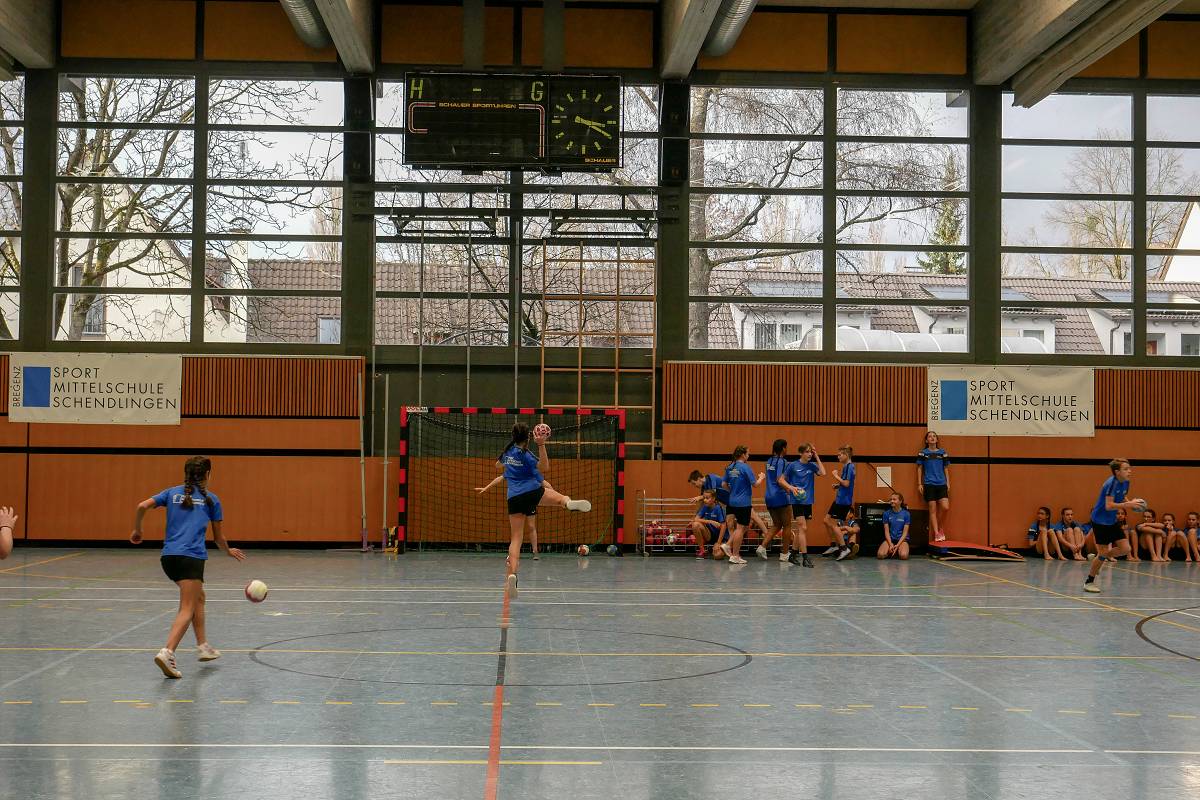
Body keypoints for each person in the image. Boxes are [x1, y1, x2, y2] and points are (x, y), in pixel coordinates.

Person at [131, 456, 245, 679]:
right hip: (191, 558)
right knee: (187, 608)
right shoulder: (212, 500)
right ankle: (168, 652)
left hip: (169, 558)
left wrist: (137, 530)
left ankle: (203, 646)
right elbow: (218, 538)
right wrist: (228, 550)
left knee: (198, 596)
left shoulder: (171, 493)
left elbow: (142, 505)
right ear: (208, 474)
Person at [495, 423, 591, 599]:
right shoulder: (527, 455)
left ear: (513, 437)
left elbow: (497, 465)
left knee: (516, 538)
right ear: (528, 438)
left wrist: (509, 464)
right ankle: (568, 503)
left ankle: (513, 574)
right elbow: (544, 467)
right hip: (532, 492)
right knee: (561, 499)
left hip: (514, 498)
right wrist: (541, 444)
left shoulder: (508, 453)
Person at [1084, 458, 1144, 594]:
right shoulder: (1110, 484)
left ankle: (1098, 559)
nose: (1129, 471)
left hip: (1111, 520)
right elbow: (1108, 505)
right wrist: (1128, 505)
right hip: (1100, 521)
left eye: (1129, 468)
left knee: (1125, 549)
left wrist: (1131, 503)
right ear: (1117, 472)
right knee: (1103, 553)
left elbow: (1122, 497)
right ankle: (1089, 582)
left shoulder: (1126, 482)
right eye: (1126, 469)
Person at [476, 475, 547, 559]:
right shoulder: (512, 470)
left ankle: (535, 552)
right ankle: (514, 552)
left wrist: (558, 497)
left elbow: (543, 482)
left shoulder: (529, 470)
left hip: (529, 500)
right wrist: (486, 488)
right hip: (517, 500)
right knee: (516, 530)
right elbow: (499, 478)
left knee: (531, 526)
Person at [720, 445, 763, 566]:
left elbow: (723, 484)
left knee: (742, 527)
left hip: (731, 502)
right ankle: (735, 555)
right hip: (743, 503)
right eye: (748, 453)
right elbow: (755, 484)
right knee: (740, 528)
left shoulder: (730, 467)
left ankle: (728, 545)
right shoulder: (745, 467)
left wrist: (733, 491)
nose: (748, 456)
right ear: (743, 455)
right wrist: (761, 477)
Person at [763, 439, 802, 562]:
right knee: (787, 525)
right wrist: (790, 489)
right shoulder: (783, 461)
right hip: (780, 496)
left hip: (768, 496)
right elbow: (780, 479)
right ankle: (784, 553)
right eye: (786, 447)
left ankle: (762, 547)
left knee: (777, 524)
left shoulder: (768, 461)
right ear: (783, 448)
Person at [784, 443, 822, 567]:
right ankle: (805, 558)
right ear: (800, 453)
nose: (809, 454)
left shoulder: (812, 465)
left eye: (811, 452)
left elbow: (823, 472)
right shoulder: (793, 465)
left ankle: (792, 555)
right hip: (797, 501)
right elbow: (781, 479)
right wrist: (790, 488)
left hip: (808, 501)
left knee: (802, 530)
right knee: (803, 528)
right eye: (807, 452)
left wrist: (817, 456)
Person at [821, 445, 856, 561]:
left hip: (843, 501)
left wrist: (836, 476)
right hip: (839, 499)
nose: (838, 456)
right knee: (826, 520)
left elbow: (847, 483)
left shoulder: (850, 467)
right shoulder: (846, 466)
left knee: (833, 524)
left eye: (840, 454)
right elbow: (846, 484)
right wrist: (838, 485)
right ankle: (834, 545)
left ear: (846, 455)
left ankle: (843, 548)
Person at [916, 431, 950, 542]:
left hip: (941, 484)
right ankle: (936, 533)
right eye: (930, 436)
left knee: (945, 507)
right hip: (929, 484)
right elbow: (919, 468)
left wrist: (948, 482)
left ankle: (941, 528)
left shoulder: (943, 453)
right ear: (926, 440)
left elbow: (946, 468)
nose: (932, 438)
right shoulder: (923, 453)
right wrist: (919, 484)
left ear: (937, 439)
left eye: (934, 436)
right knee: (933, 510)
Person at [690, 489, 726, 559]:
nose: (705, 500)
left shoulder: (718, 508)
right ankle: (702, 551)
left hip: (719, 537)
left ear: (713, 499)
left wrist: (718, 543)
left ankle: (715, 548)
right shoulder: (705, 507)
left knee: (718, 556)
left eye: (707, 498)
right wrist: (710, 521)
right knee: (695, 524)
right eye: (704, 498)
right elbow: (696, 519)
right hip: (708, 535)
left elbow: (723, 526)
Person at [878, 492, 911, 560]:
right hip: (890, 540)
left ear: (900, 501)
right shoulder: (886, 513)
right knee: (880, 555)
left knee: (904, 556)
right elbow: (886, 532)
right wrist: (890, 544)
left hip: (902, 540)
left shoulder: (906, 514)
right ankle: (891, 549)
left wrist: (898, 545)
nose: (892, 501)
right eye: (891, 499)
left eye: (894, 499)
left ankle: (897, 550)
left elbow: (905, 533)